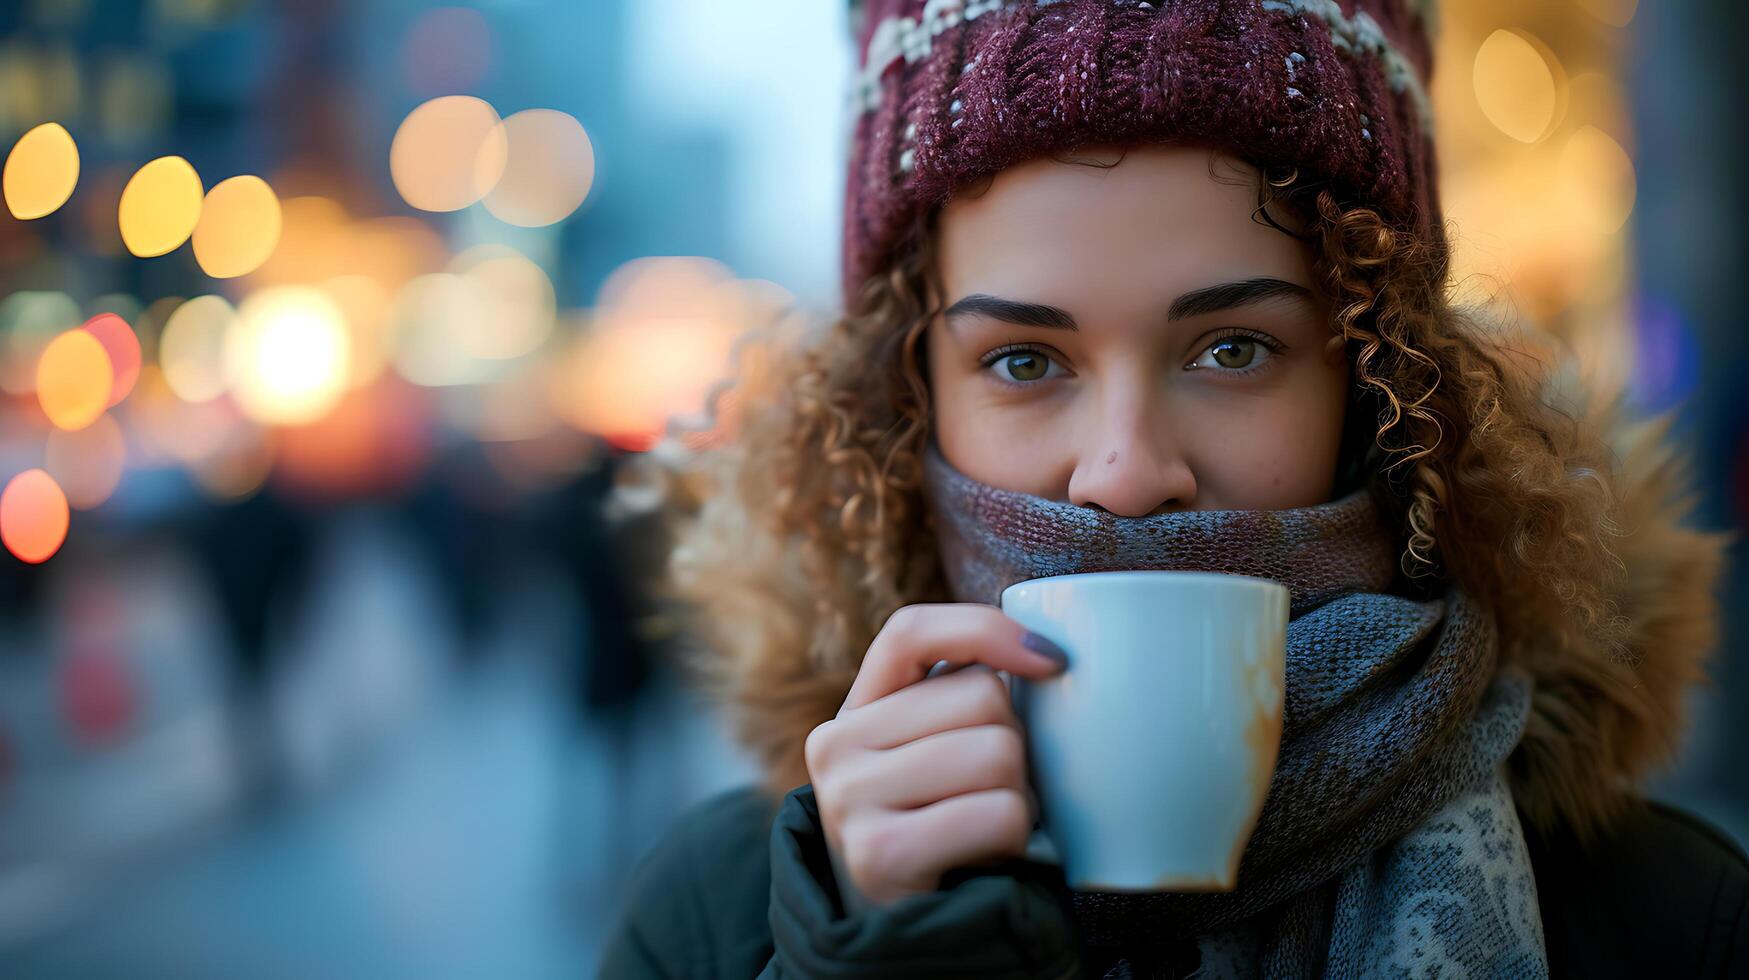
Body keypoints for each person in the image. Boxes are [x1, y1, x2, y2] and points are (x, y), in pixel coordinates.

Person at [598, 0, 1748, 976]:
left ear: (1381, 375)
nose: (1130, 472)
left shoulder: (1667, 915)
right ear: (906, 406)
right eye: (1024, 361)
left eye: (1233, 349)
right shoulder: (720, 918)